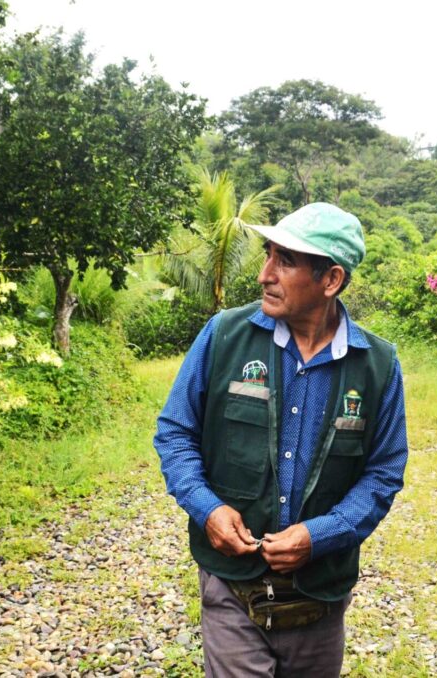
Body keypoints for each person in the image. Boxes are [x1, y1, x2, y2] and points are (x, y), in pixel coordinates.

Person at [154, 202, 409, 677]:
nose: (264, 275)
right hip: (231, 585)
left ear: (330, 280)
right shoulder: (224, 335)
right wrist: (208, 508)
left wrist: (320, 535)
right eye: (267, 255)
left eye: (285, 261)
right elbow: (175, 432)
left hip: (321, 595)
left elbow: (384, 472)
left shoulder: (377, 365)